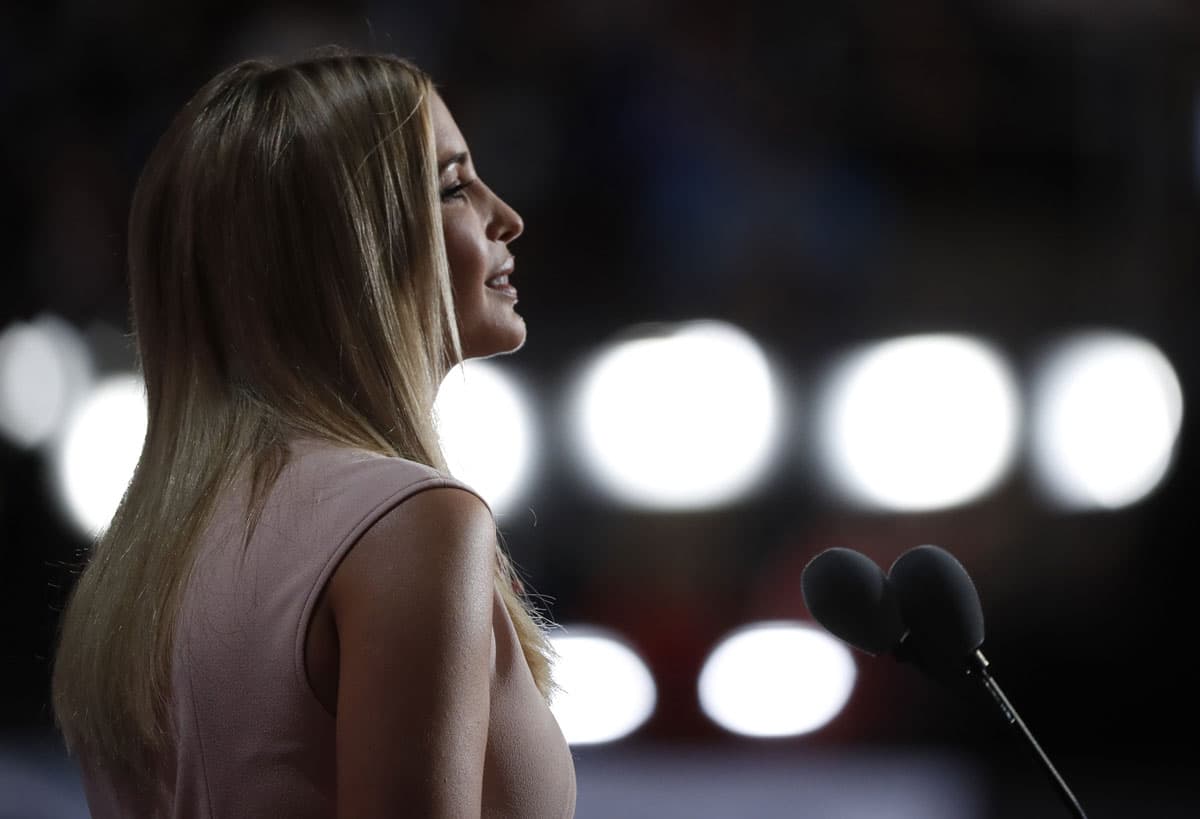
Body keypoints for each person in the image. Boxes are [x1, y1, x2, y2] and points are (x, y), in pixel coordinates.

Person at [50, 46, 576, 818]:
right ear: (346, 245)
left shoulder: (147, 555)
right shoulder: (413, 523)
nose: (507, 215)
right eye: (453, 187)